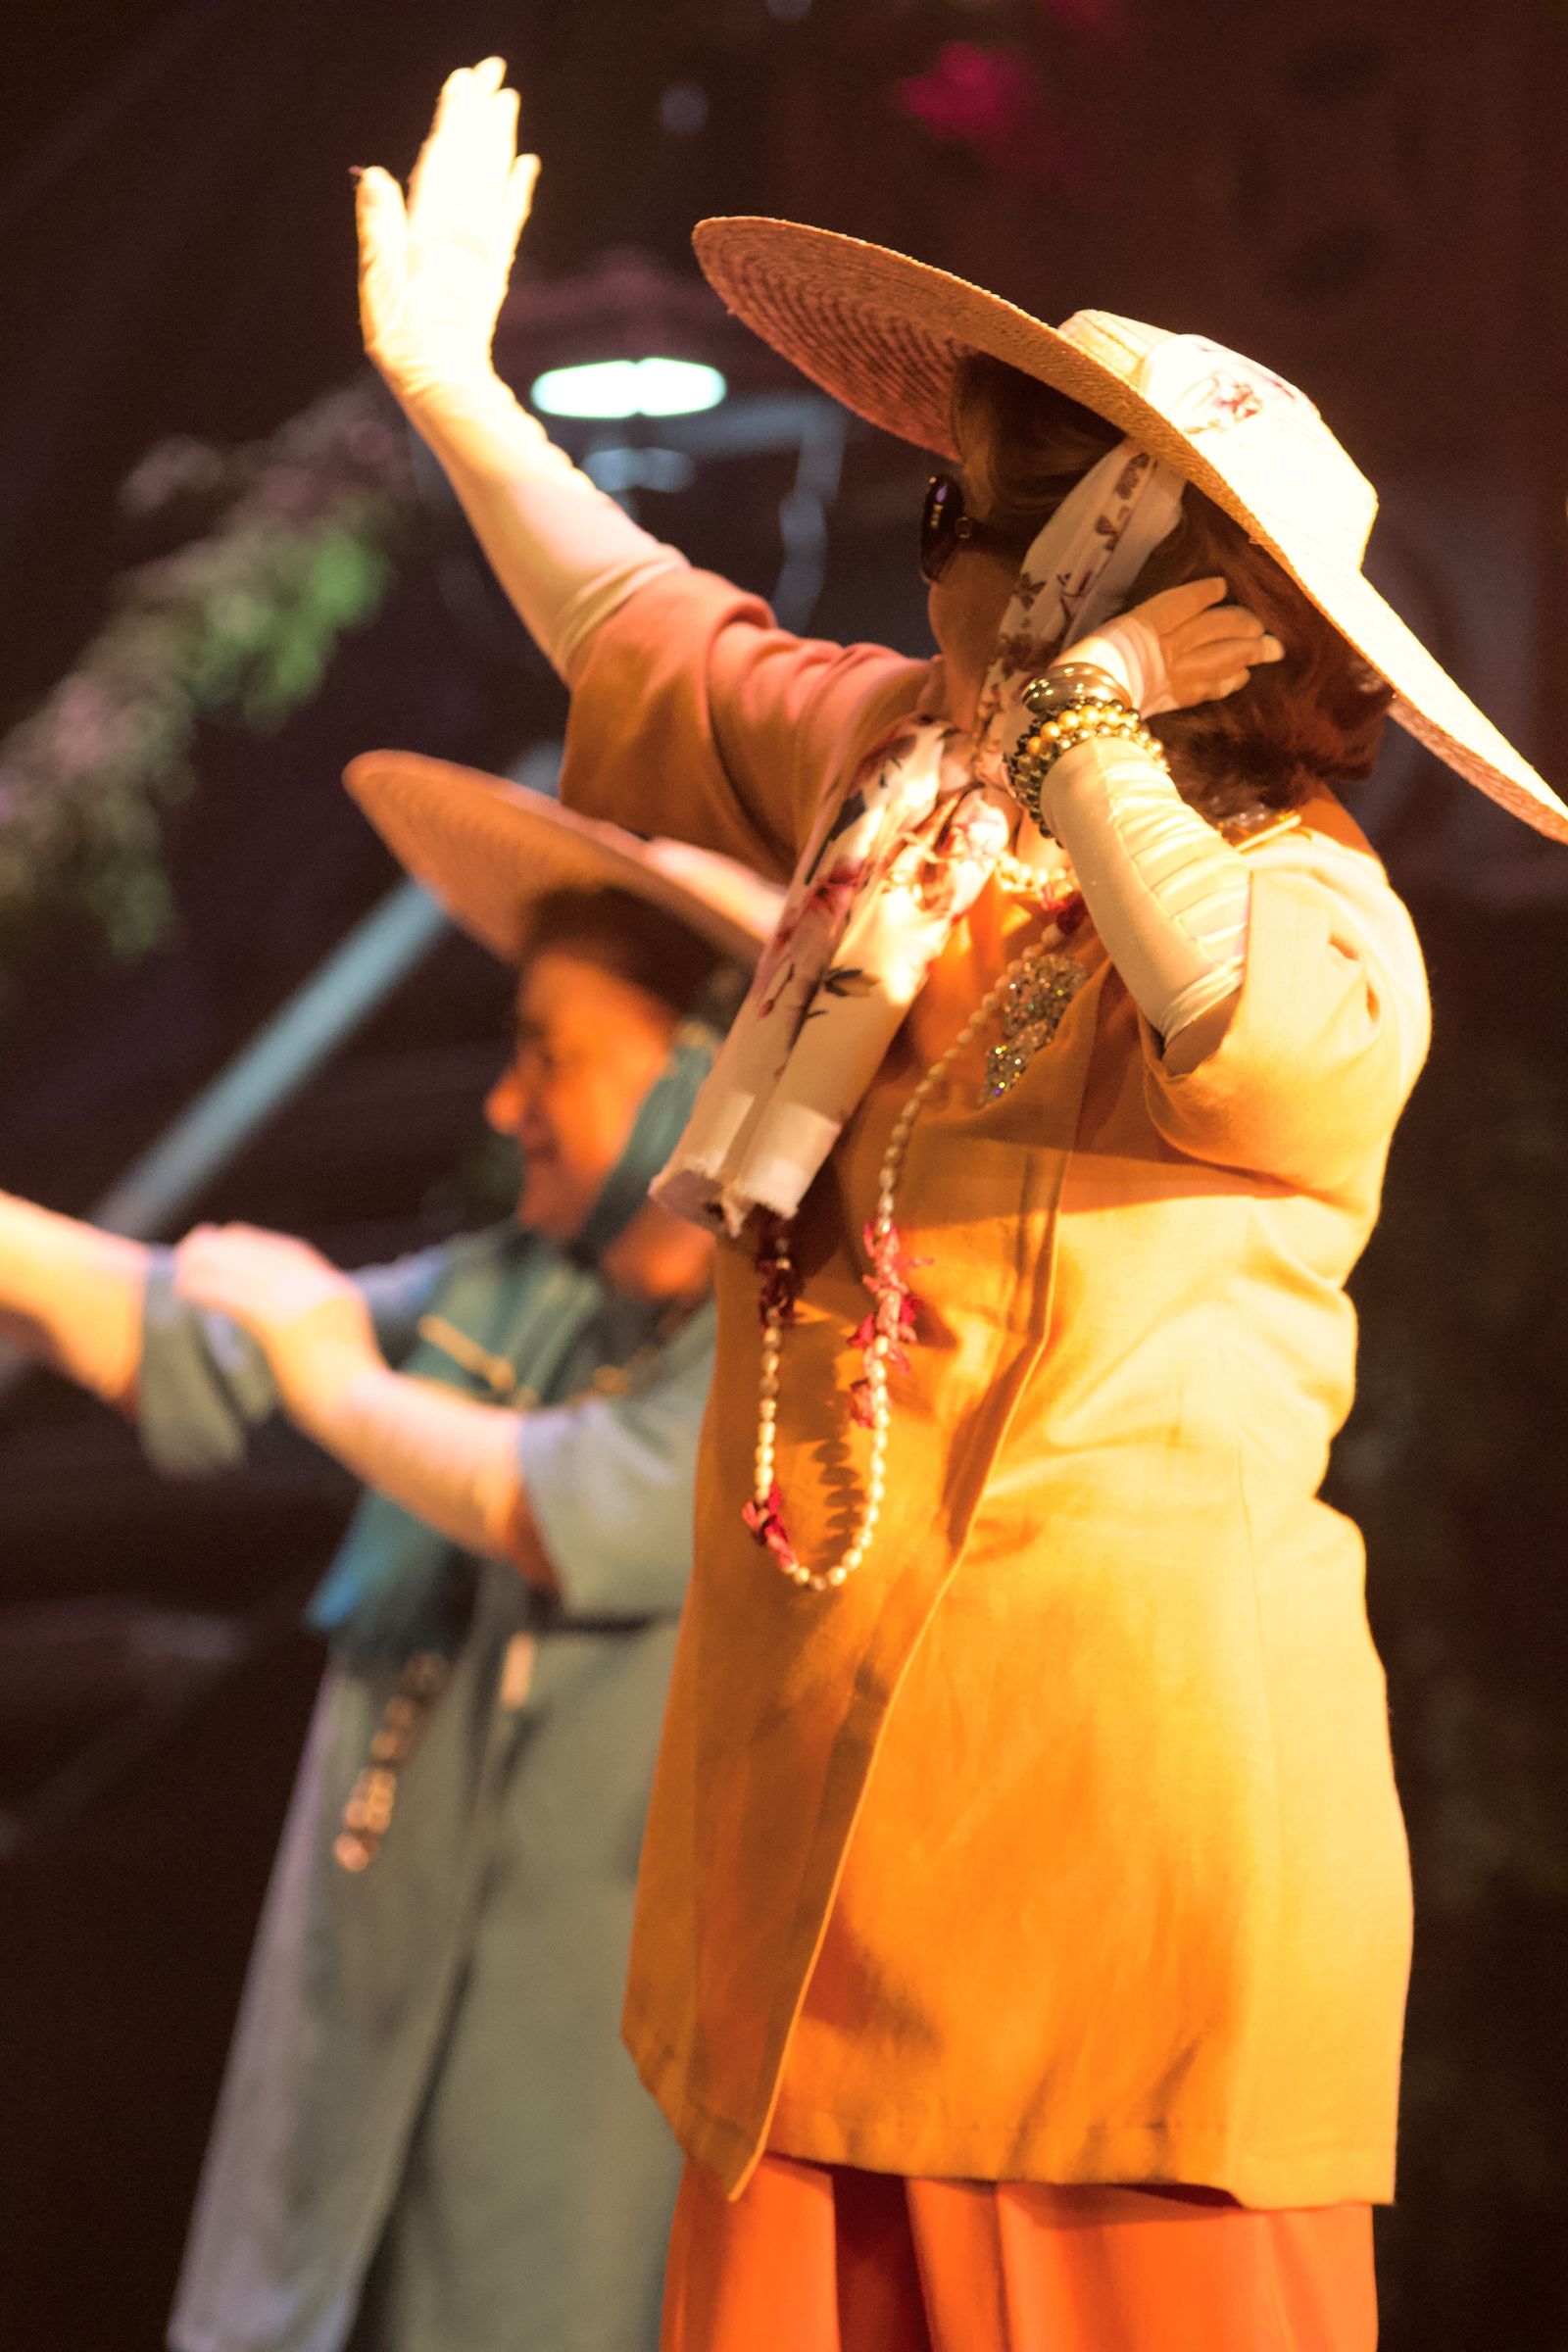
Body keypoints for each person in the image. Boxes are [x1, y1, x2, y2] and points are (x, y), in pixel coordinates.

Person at [353, 61, 1568, 2352]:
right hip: (815, 1888)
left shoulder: (1317, 926)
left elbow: (1237, 1032)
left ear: (1126, 580)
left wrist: (1094, 732)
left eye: (977, 522)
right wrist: (452, 393)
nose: (937, 573)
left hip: (1101, 1925)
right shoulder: (904, 812)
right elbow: (649, 629)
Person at [0, 754, 779, 2352]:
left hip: (566, 2166)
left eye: (548, 1056)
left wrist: (335, 1381)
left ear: (704, 1076)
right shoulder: (521, 1289)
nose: (506, 1104)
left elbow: (581, 1506)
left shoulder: (791, 1364)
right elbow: (190, 1332)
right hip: (342, 2107)